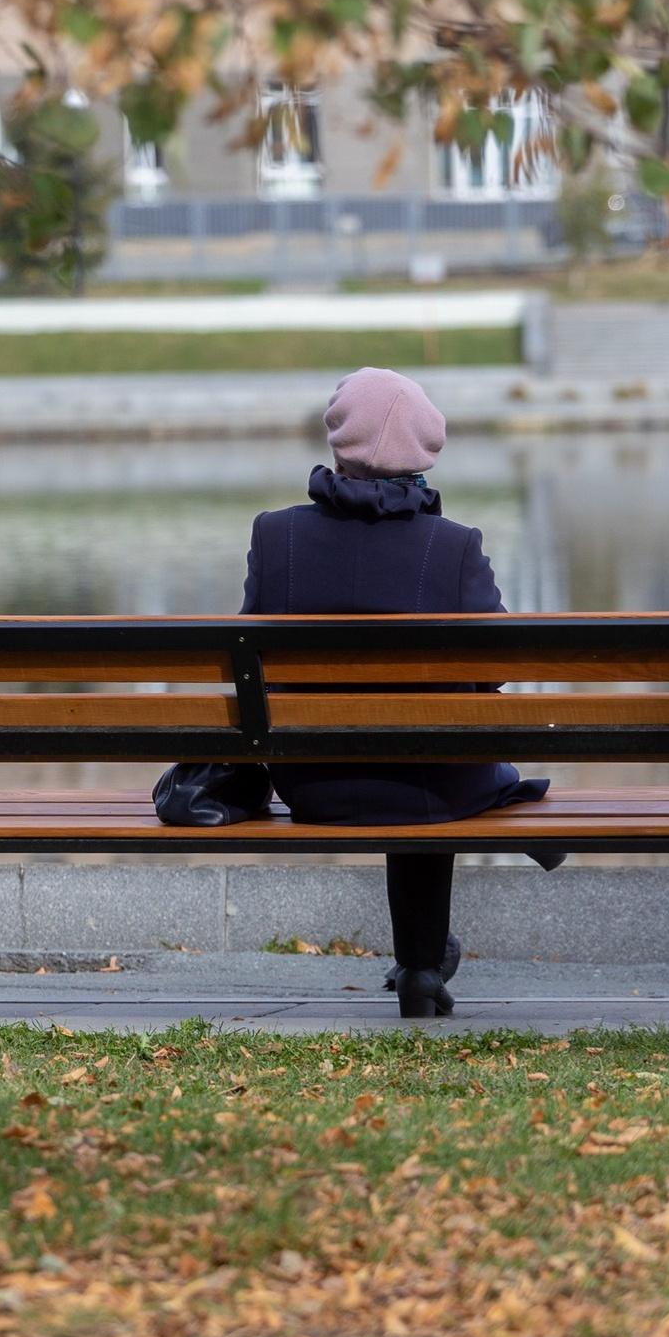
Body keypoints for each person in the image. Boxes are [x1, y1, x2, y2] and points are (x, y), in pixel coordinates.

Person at [240, 367, 550, 1018]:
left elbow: (252, 664)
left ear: (337, 442)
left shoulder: (276, 535)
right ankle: (422, 959)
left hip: (311, 783)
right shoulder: (455, 546)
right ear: (422, 452)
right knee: (435, 757)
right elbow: (496, 672)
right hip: (432, 784)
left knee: (427, 750)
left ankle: (424, 958)